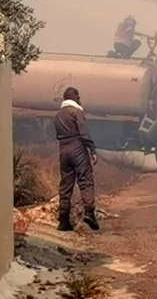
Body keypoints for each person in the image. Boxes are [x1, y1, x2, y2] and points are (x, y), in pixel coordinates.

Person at [54, 87, 100, 231]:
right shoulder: (77, 112)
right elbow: (84, 133)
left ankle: (63, 220)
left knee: (66, 185)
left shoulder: (57, 115)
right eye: (78, 97)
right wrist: (92, 150)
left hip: (63, 150)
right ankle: (89, 213)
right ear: (75, 97)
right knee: (85, 181)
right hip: (77, 148)